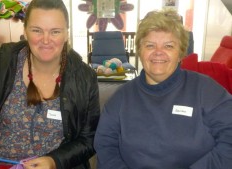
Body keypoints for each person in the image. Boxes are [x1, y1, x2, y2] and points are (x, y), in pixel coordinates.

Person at [0, 0, 100, 169]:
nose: (46, 40)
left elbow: (88, 138)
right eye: (37, 30)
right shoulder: (0, 64)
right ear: (25, 31)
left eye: (55, 31)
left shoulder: (85, 78)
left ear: (66, 33)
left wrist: (54, 161)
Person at [94, 8, 232, 169]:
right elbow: (105, 145)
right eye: (150, 45)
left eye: (168, 46)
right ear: (140, 51)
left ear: (180, 53)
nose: (158, 53)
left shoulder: (207, 90)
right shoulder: (121, 98)